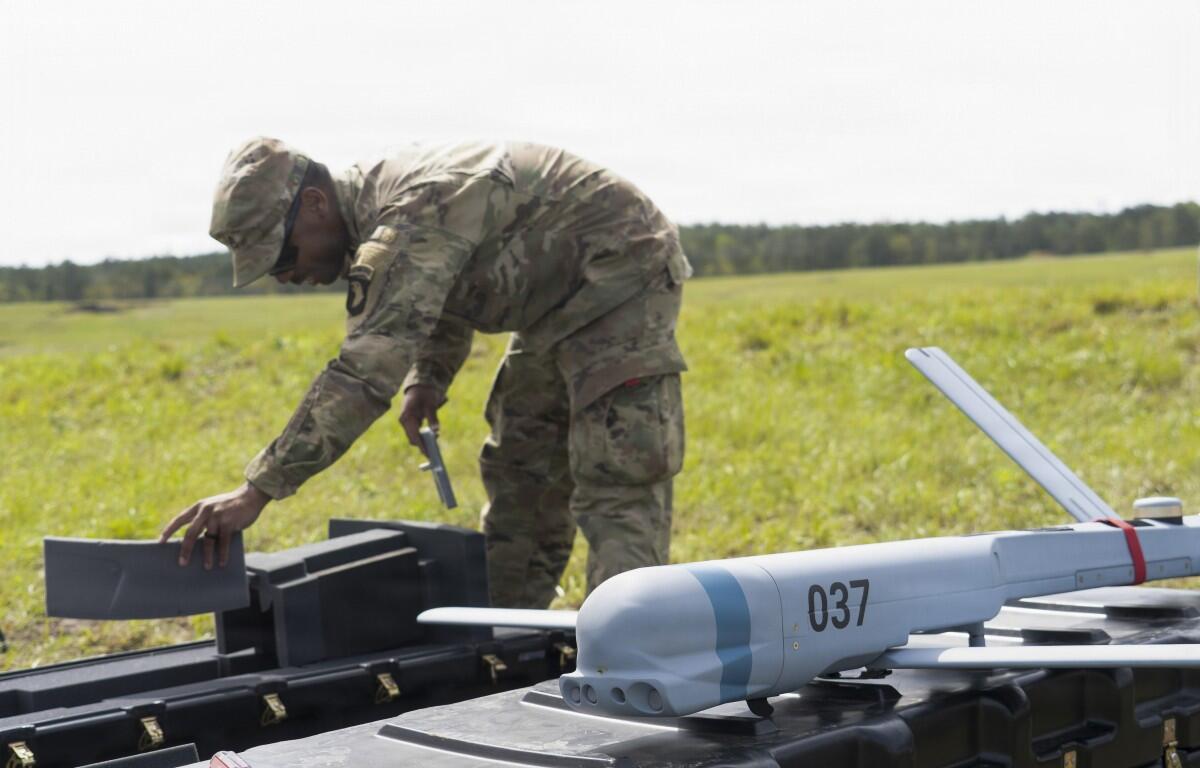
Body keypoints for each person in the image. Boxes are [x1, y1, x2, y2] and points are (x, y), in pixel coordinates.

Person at [160, 137, 690, 607]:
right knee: (522, 468)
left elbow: (364, 373)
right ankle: (509, 644)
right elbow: (445, 291)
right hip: (552, 304)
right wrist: (429, 379)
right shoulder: (384, 215)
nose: (284, 276)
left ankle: (627, 653)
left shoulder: (407, 215)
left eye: (282, 255)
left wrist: (257, 490)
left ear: (315, 204)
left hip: (622, 275)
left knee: (615, 474)